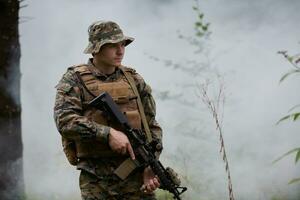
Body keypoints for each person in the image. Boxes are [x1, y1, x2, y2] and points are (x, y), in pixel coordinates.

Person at [54, 20, 163, 200]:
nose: (120, 51)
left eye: (122, 44)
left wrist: (150, 165)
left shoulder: (134, 80)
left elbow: (152, 127)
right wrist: (108, 133)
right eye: (112, 45)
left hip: (137, 179)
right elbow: (65, 121)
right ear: (96, 48)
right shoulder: (74, 79)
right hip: (97, 181)